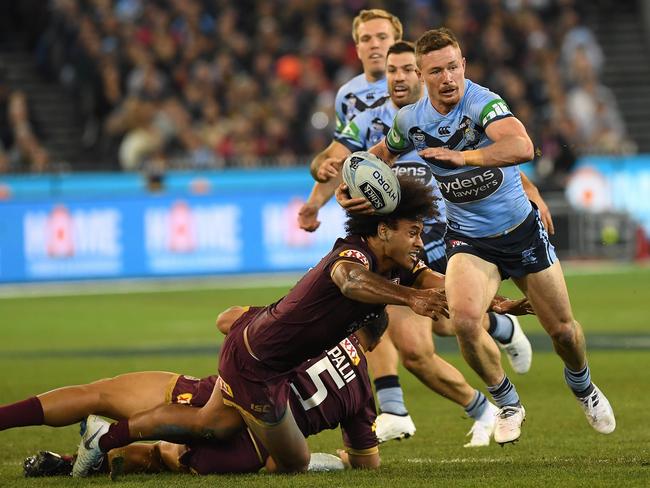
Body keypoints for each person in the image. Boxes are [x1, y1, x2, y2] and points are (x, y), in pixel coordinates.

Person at [338, 27, 615, 445]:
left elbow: (521, 146)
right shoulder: (411, 119)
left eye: (453, 67)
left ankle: (583, 386)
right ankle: (507, 404)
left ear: (463, 65)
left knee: (563, 332)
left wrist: (463, 156)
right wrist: (353, 178)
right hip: (469, 238)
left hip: (520, 232)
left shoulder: (484, 103)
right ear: (422, 75)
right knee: (465, 321)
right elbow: (383, 153)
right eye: (437, 71)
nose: (448, 78)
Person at [300, 41, 537, 446]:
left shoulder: (449, 112)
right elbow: (335, 161)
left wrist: (533, 193)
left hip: (449, 234)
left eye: (406, 69)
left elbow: (502, 157)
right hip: (399, 245)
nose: (396, 76)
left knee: (446, 326)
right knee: (419, 338)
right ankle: (438, 403)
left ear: (420, 73)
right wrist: (320, 189)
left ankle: (482, 359)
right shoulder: (367, 118)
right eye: (390, 70)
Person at [8, 314, 389, 477]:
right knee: (160, 455)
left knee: (98, 393)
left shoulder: (313, 326)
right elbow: (367, 463)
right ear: (377, 339)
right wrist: (340, 458)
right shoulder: (361, 391)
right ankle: (71, 459)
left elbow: (232, 323)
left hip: (216, 397)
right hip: (246, 453)